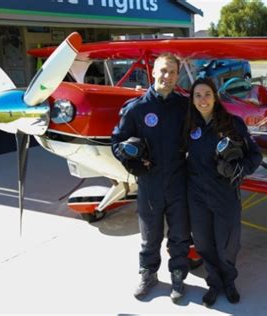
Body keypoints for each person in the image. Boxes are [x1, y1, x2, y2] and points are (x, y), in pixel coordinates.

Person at [111, 53, 190, 303]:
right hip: (150, 181)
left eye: (172, 72)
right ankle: (148, 274)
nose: (167, 76)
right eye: (163, 71)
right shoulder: (137, 109)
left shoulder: (185, 107)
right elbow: (117, 143)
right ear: (153, 73)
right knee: (150, 235)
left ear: (178, 76)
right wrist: (131, 161)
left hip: (179, 180)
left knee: (179, 233)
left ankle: (178, 275)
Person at [183, 77, 262, 307]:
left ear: (215, 96)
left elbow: (255, 156)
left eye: (207, 94)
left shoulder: (233, 124)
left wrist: (239, 170)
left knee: (227, 244)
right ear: (193, 100)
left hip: (225, 193)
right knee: (204, 244)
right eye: (197, 95)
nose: (202, 99)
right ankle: (214, 283)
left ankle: (229, 282)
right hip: (197, 195)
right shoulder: (189, 126)